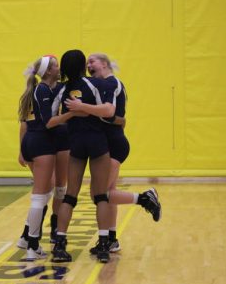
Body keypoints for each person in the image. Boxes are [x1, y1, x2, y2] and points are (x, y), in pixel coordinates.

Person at [65, 53, 161, 255]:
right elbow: (115, 117)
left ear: (105, 64)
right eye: (87, 62)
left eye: (92, 61)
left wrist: (81, 107)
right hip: (108, 142)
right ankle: (112, 239)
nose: (89, 65)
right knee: (107, 193)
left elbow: (109, 112)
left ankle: (144, 198)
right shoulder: (101, 85)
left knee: (100, 194)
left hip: (114, 144)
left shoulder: (109, 84)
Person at [51, 49, 117, 263]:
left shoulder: (61, 89)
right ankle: (104, 245)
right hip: (97, 141)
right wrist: (85, 110)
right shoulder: (94, 84)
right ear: (82, 67)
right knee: (101, 195)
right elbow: (108, 111)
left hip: (76, 142)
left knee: (70, 195)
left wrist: (72, 113)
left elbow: (53, 118)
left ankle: (59, 245)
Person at [17, 55, 73, 260]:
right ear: (48, 71)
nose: (59, 68)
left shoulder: (45, 89)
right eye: (56, 65)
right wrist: (73, 113)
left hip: (36, 141)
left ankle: (29, 239)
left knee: (45, 193)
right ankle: (32, 245)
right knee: (40, 196)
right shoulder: (42, 90)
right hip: (42, 141)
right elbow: (48, 122)